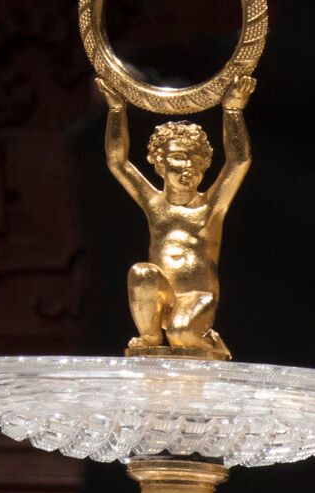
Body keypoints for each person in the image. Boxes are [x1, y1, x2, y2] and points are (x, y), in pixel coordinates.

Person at [108, 92, 251, 358]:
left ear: (205, 164)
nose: (188, 166)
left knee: (181, 333)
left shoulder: (211, 207)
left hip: (198, 297)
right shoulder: (155, 205)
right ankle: (150, 335)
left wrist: (233, 110)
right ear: (160, 163)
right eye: (178, 158)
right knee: (141, 273)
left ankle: (215, 346)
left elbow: (239, 161)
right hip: (163, 299)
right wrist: (117, 110)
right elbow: (118, 162)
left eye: (195, 160)